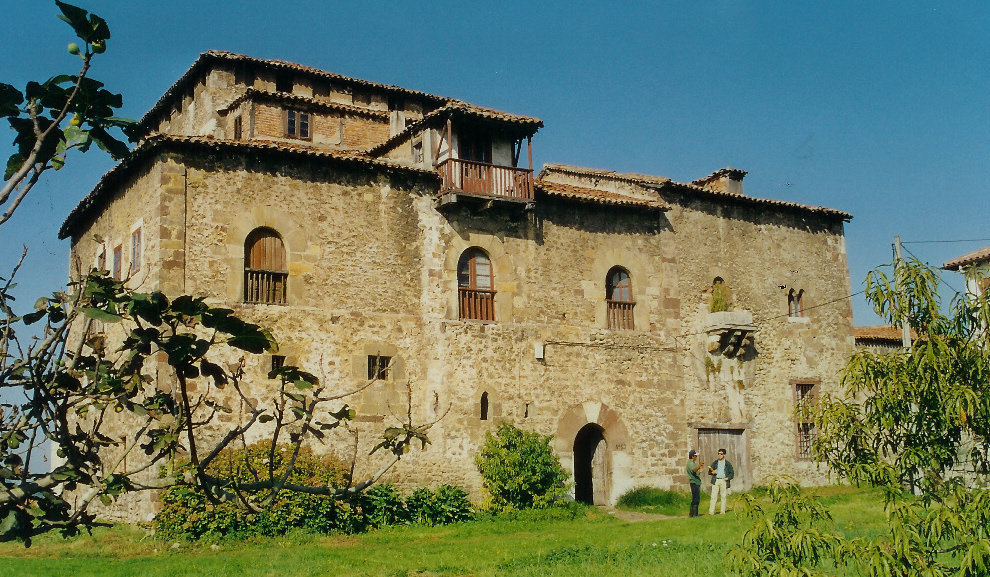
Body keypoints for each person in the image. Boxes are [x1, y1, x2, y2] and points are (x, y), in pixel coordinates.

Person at [707, 448, 734, 515]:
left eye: (721, 454)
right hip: (716, 480)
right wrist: (712, 472)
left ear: (724, 455)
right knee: (713, 496)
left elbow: (732, 473)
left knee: (723, 496)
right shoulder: (715, 462)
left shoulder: (727, 464)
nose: (719, 455)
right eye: (718, 453)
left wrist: (727, 478)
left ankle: (722, 511)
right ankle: (711, 512)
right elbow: (709, 472)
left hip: (723, 480)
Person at [686, 449, 704, 517]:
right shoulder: (690, 463)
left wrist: (699, 471)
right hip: (694, 482)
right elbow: (694, 470)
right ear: (692, 456)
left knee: (695, 498)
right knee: (696, 498)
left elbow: (694, 471)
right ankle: (694, 514)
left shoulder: (691, 463)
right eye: (695, 456)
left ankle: (692, 513)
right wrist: (699, 466)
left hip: (695, 482)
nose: (696, 457)